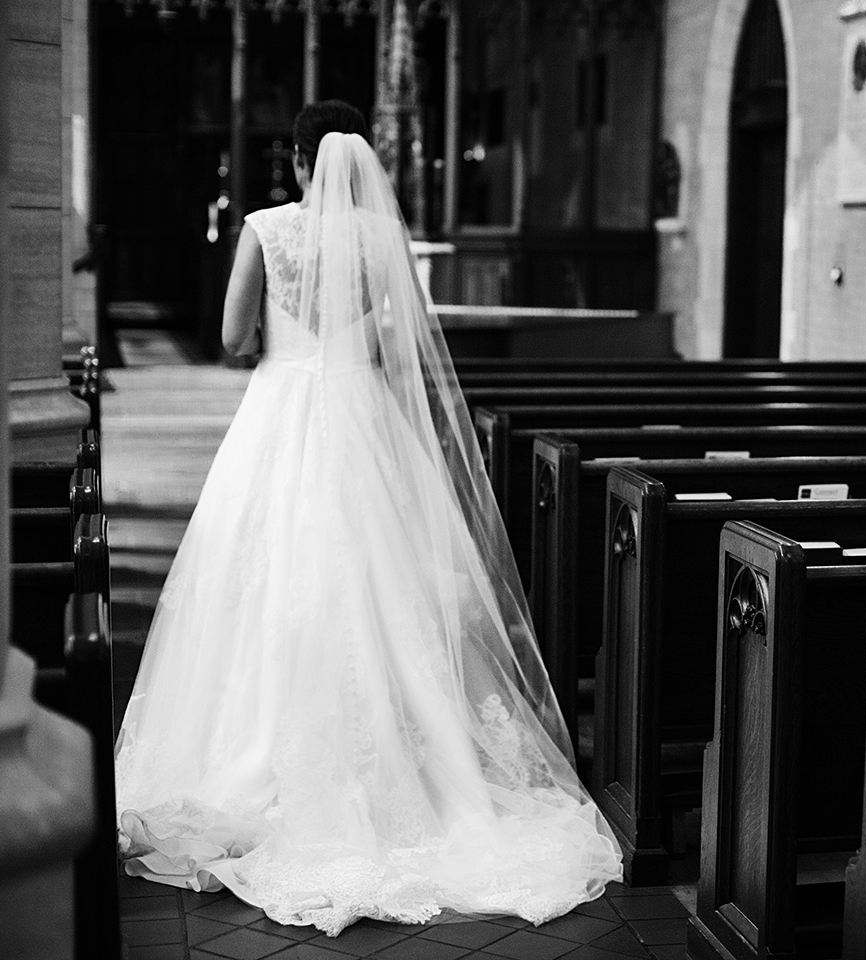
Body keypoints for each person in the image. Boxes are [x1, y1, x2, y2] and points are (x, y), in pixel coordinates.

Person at [114, 101, 623, 937]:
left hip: (278, 417)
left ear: (300, 160)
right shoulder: (381, 241)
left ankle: (254, 760)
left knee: (262, 580)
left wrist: (290, 337)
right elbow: (397, 346)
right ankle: (405, 772)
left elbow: (235, 337)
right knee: (377, 587)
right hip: (360, 422)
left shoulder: (267, 228)